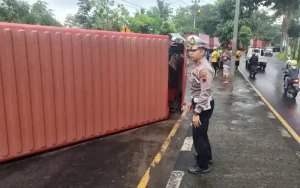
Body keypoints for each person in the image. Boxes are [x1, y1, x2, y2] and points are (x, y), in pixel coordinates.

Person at [186, 35, 215, 174]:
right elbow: (197, 90)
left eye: (194, 50)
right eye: (189, 50)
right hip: (200, 103)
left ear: (202, 51)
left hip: (203, 106)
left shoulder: (204, 69)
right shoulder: (197, 65)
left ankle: (202, 165)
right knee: (202, 133)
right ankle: (207, 157)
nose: (190, 52)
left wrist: (197, 112)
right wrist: (192, 102)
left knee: (198, 135)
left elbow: (205, 93)